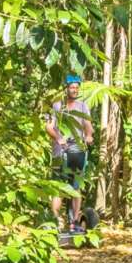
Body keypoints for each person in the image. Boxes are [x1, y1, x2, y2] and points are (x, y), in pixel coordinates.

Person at [45, 74, 94, 232]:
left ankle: (74, 222)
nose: (74, 90)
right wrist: (58, 138)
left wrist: (88, 135)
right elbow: (49, 127)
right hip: (61, 153)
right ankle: (55, 221)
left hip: (77, 152)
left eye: (76, 88)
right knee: (59, 188)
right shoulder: (57, 106)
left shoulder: (82, 107)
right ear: (66, 89)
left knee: (75, 187)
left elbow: (88, 125)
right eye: (71, 87)